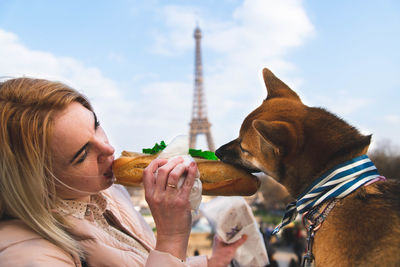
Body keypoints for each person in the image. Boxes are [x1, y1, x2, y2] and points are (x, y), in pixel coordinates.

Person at [0, 77, 247, 266]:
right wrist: (172, 237)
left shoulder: (111, 195)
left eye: (96, 126)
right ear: (34, 181)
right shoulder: (27, 255)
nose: (108, 148)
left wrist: (210, 261)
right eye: (82, 154)